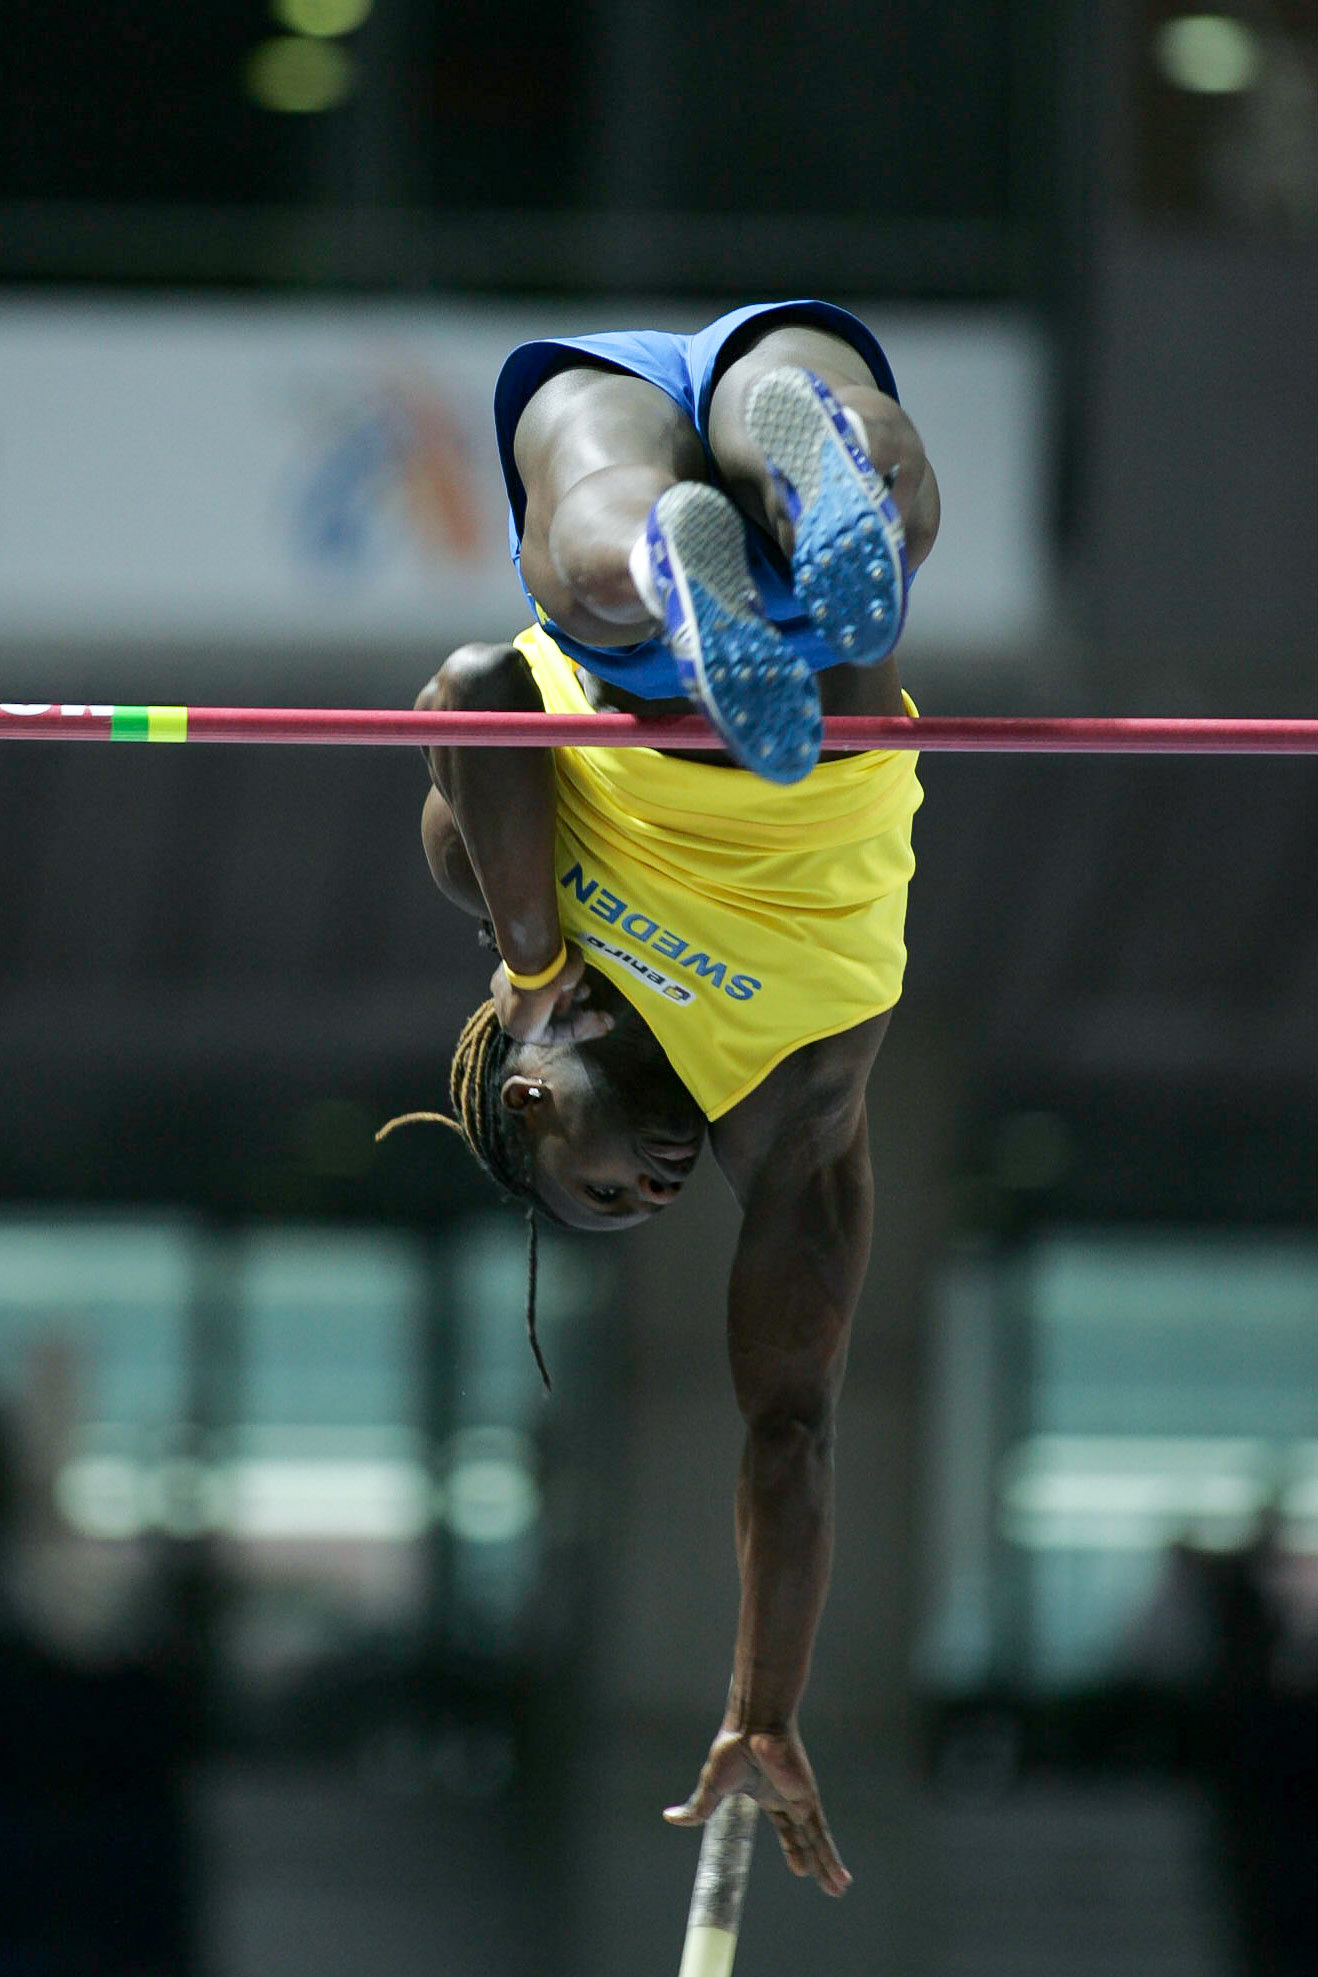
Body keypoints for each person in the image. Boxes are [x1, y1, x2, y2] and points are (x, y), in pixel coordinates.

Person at [400, 301, 940, 1897]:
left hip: (633, 593)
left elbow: (479, 679)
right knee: (887, 537)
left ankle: (674, 580)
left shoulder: (503, 905)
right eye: (640, 1209)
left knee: (582, 565)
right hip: (820, 679)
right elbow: (788, 1426)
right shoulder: (798, 1132)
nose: (641, 1199)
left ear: (523, 1082)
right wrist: (760, 1707)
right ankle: (824, 482)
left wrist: (530, 961)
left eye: (582, 1183)